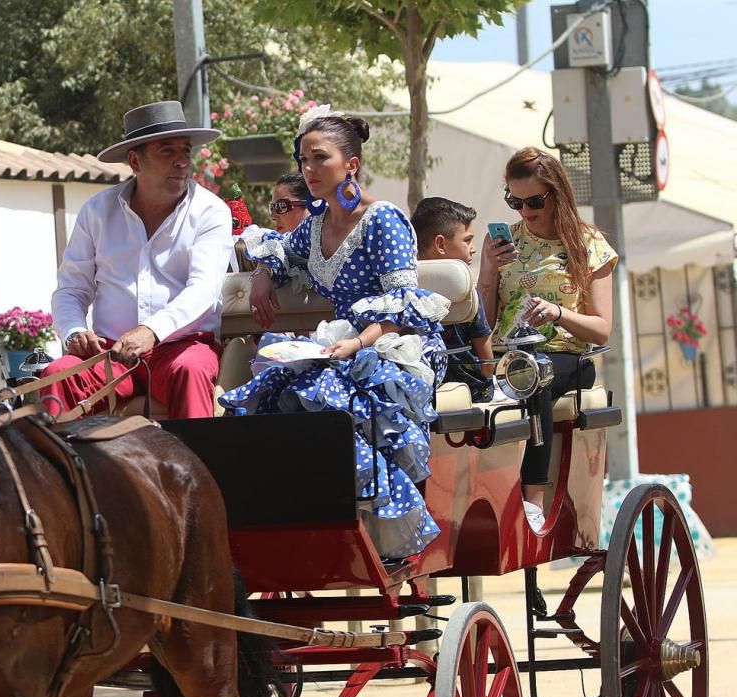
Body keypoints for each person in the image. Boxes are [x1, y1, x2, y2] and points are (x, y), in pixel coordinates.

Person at [221, 106, 450, 560]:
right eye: (303, 160)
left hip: (393, 345)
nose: (308, 170)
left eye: (319, 159)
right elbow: (281, 251)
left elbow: (404, 308)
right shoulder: (316, 223)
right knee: (270, 388)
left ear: (351, 165)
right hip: (341, 344)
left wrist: (357, 343)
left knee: (325, 391)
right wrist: (266, 274)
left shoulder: (382, 220)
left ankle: (371, 527)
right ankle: (297, 525)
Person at [45, 100, 233, 420]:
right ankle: (61, 471)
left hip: (181, 350)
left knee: (191, 370)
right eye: (166, 151)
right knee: (58, 375)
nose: (181, 162)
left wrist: (152, 331)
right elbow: (70, 289)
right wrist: (74, 331)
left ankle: (202, 468)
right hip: (110, 355)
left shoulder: (211, 212)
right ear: (135, 160)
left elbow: (204, 288)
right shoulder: (96, 212)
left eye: (185, 151)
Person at [479, 147, 616, 530]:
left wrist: (559, 313)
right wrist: (488, 269)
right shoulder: (505, 245)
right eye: (514, 201)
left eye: (534, 200)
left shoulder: (589, 246)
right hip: (505, 357)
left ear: (557, 193)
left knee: (531, 375)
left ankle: (533, 500)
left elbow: (603, 328)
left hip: (564, 357)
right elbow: (483, 322)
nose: (524, 210)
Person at [412, 197, 495, 402]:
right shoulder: (466, 292)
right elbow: (487, 364)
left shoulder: (403, 289)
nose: (473, 248)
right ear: (440, 243)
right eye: (467, 240)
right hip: (472, 391)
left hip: (417, 387)